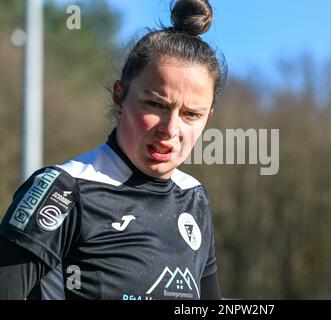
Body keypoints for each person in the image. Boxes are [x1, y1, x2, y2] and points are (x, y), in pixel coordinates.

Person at [0, 0, 227, 300]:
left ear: (207, 117)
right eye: (156, 105)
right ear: (120, 98)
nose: (170, 130)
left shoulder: (194, 197)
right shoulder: (62, 191)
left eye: (191, 114)